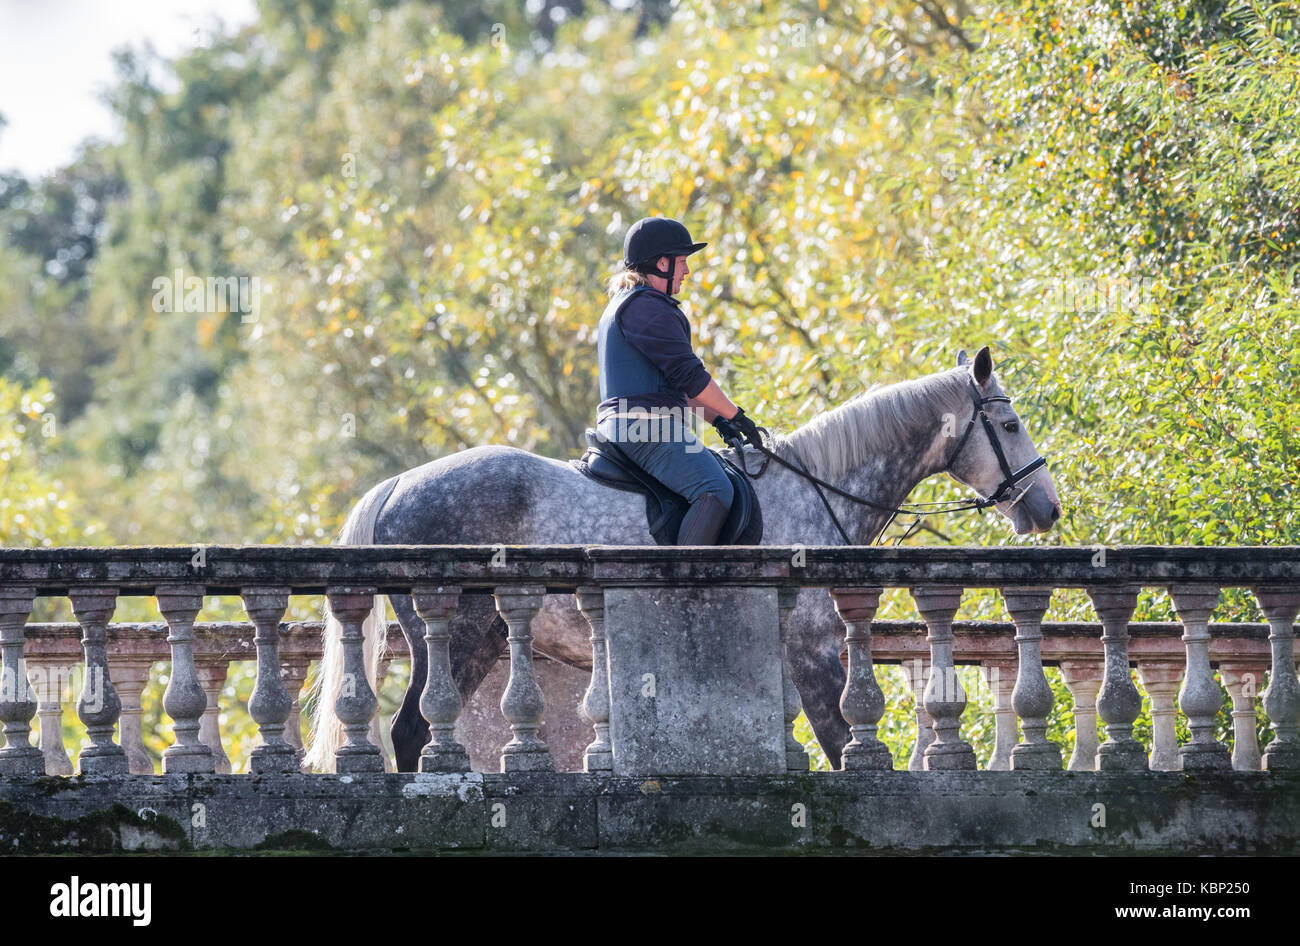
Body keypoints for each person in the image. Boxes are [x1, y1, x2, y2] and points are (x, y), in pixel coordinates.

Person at [595, 216, 763, 545]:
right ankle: (681, 585)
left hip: (636, 422)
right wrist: (736, 415)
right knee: (715, 488)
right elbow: (691, 377)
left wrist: (718, 420)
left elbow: (673, 388)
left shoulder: (628, 304)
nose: (686, 271)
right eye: (682, 262)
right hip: (644, 426)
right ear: (662, 263)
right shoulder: (647, 306)